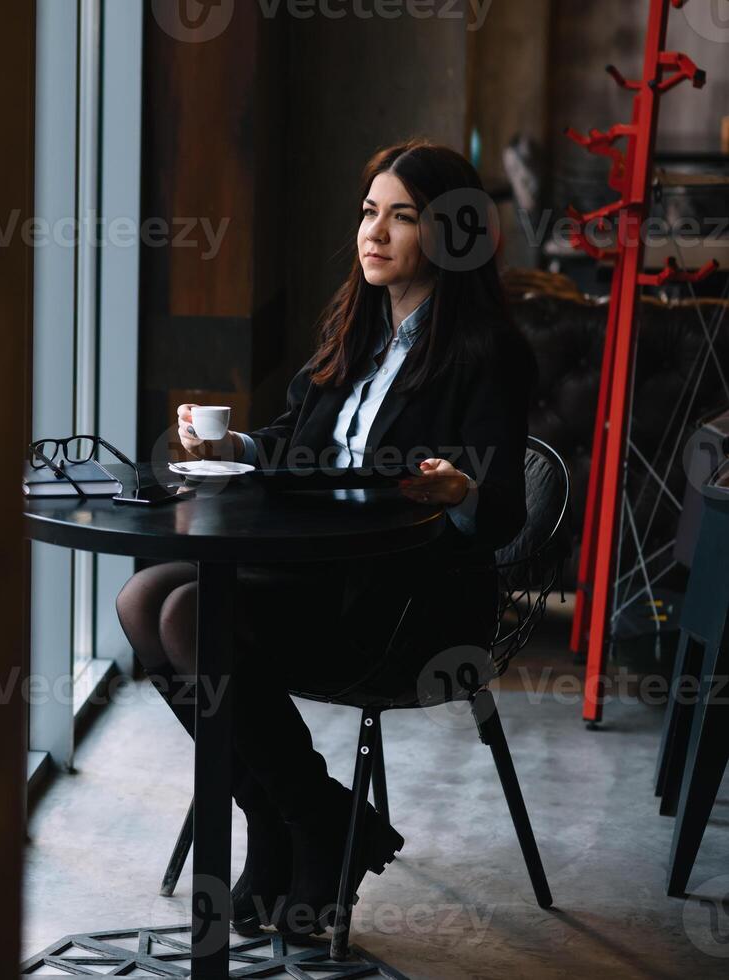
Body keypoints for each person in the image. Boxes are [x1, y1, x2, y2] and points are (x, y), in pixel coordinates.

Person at [116, 139, 536, 936]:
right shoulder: (358, 329)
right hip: (311, 580)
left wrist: (462, 492)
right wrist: (230, 448)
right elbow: (294, 441)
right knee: (144, 598)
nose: (373, 233)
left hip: (407, 606)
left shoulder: (488, 357)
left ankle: (308, 826)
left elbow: (505, 512)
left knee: (184, 618)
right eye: (368, 212)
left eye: (400, 217)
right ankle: (293, 819)